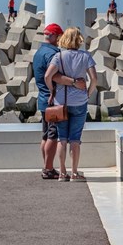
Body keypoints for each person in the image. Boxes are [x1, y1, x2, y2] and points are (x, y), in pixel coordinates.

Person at [33, 23, 87, 180]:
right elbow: (54, 76)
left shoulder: (39, 52)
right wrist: (74, 82)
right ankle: (48, 169)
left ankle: (47, 167)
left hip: (42, 100)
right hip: (53, 101)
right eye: (59, 36)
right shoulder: (52, 54)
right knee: (53, 136)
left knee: (45, 136)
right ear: (55, 36)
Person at [44, 27, 97, 182]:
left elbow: (48, 76)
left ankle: (62, 173)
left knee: (62, 138)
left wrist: (52, 90)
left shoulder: (58, 56)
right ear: (79, 39)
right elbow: (94, 79)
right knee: (75, 139)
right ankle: (74, 173)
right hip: (80, 102)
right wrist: (88, 93)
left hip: (61, 102)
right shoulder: (86, 56)